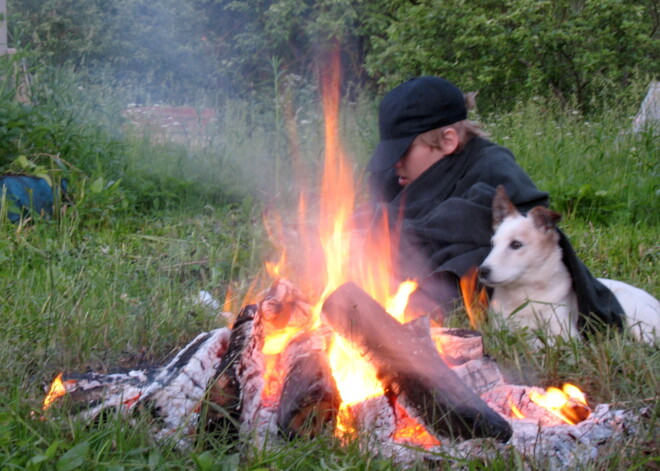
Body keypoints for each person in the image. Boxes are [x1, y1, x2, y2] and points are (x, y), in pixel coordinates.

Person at [365, 76, 624, 332]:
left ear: (448, 140)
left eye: (403, 151)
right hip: (403, 270)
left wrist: (437, 223)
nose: (395, 162)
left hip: (464, 282)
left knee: (472, 256)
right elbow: (378, 221)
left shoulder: (492, 165)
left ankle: (419, 308)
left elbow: (526, 225)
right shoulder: (397, 176)